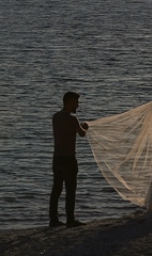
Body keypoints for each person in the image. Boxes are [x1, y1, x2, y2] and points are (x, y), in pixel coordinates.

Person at [50, 91, 88, 227]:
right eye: (76, 103)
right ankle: (70, 220)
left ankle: (53, 220)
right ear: (69, 103)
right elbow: (82, 134)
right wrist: (85, 127)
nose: (77, 106)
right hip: (69, 159)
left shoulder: (56, 117)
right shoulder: (72, 119)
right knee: (70, 190)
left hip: (57, 158)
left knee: (56, 190)